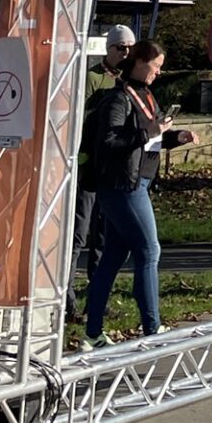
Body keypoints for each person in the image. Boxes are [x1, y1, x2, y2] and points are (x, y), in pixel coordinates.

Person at [82, 38, 196, 343]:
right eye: (155, 66)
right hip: (123, 186)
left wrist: (176, 137)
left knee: (113, 258)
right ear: (139, 61)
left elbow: (150, 140)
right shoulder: (118, 99)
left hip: (138, 182)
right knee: (149, 250)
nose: (158, 72)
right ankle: (152, 326)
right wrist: (150, 130)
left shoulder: (146, 96)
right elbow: (109, 142)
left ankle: (92, 332)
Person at [67, 24, 136, 318]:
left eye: (131, 47)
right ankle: (67, 302)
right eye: (121, 47)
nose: (126, 53)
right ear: (109, 49)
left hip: (114, 172)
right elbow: (79, 122)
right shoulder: (92, 78)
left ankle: (98, 300)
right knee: (78, 236)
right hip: (89, 168)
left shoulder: (131, 83)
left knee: (105, 238)